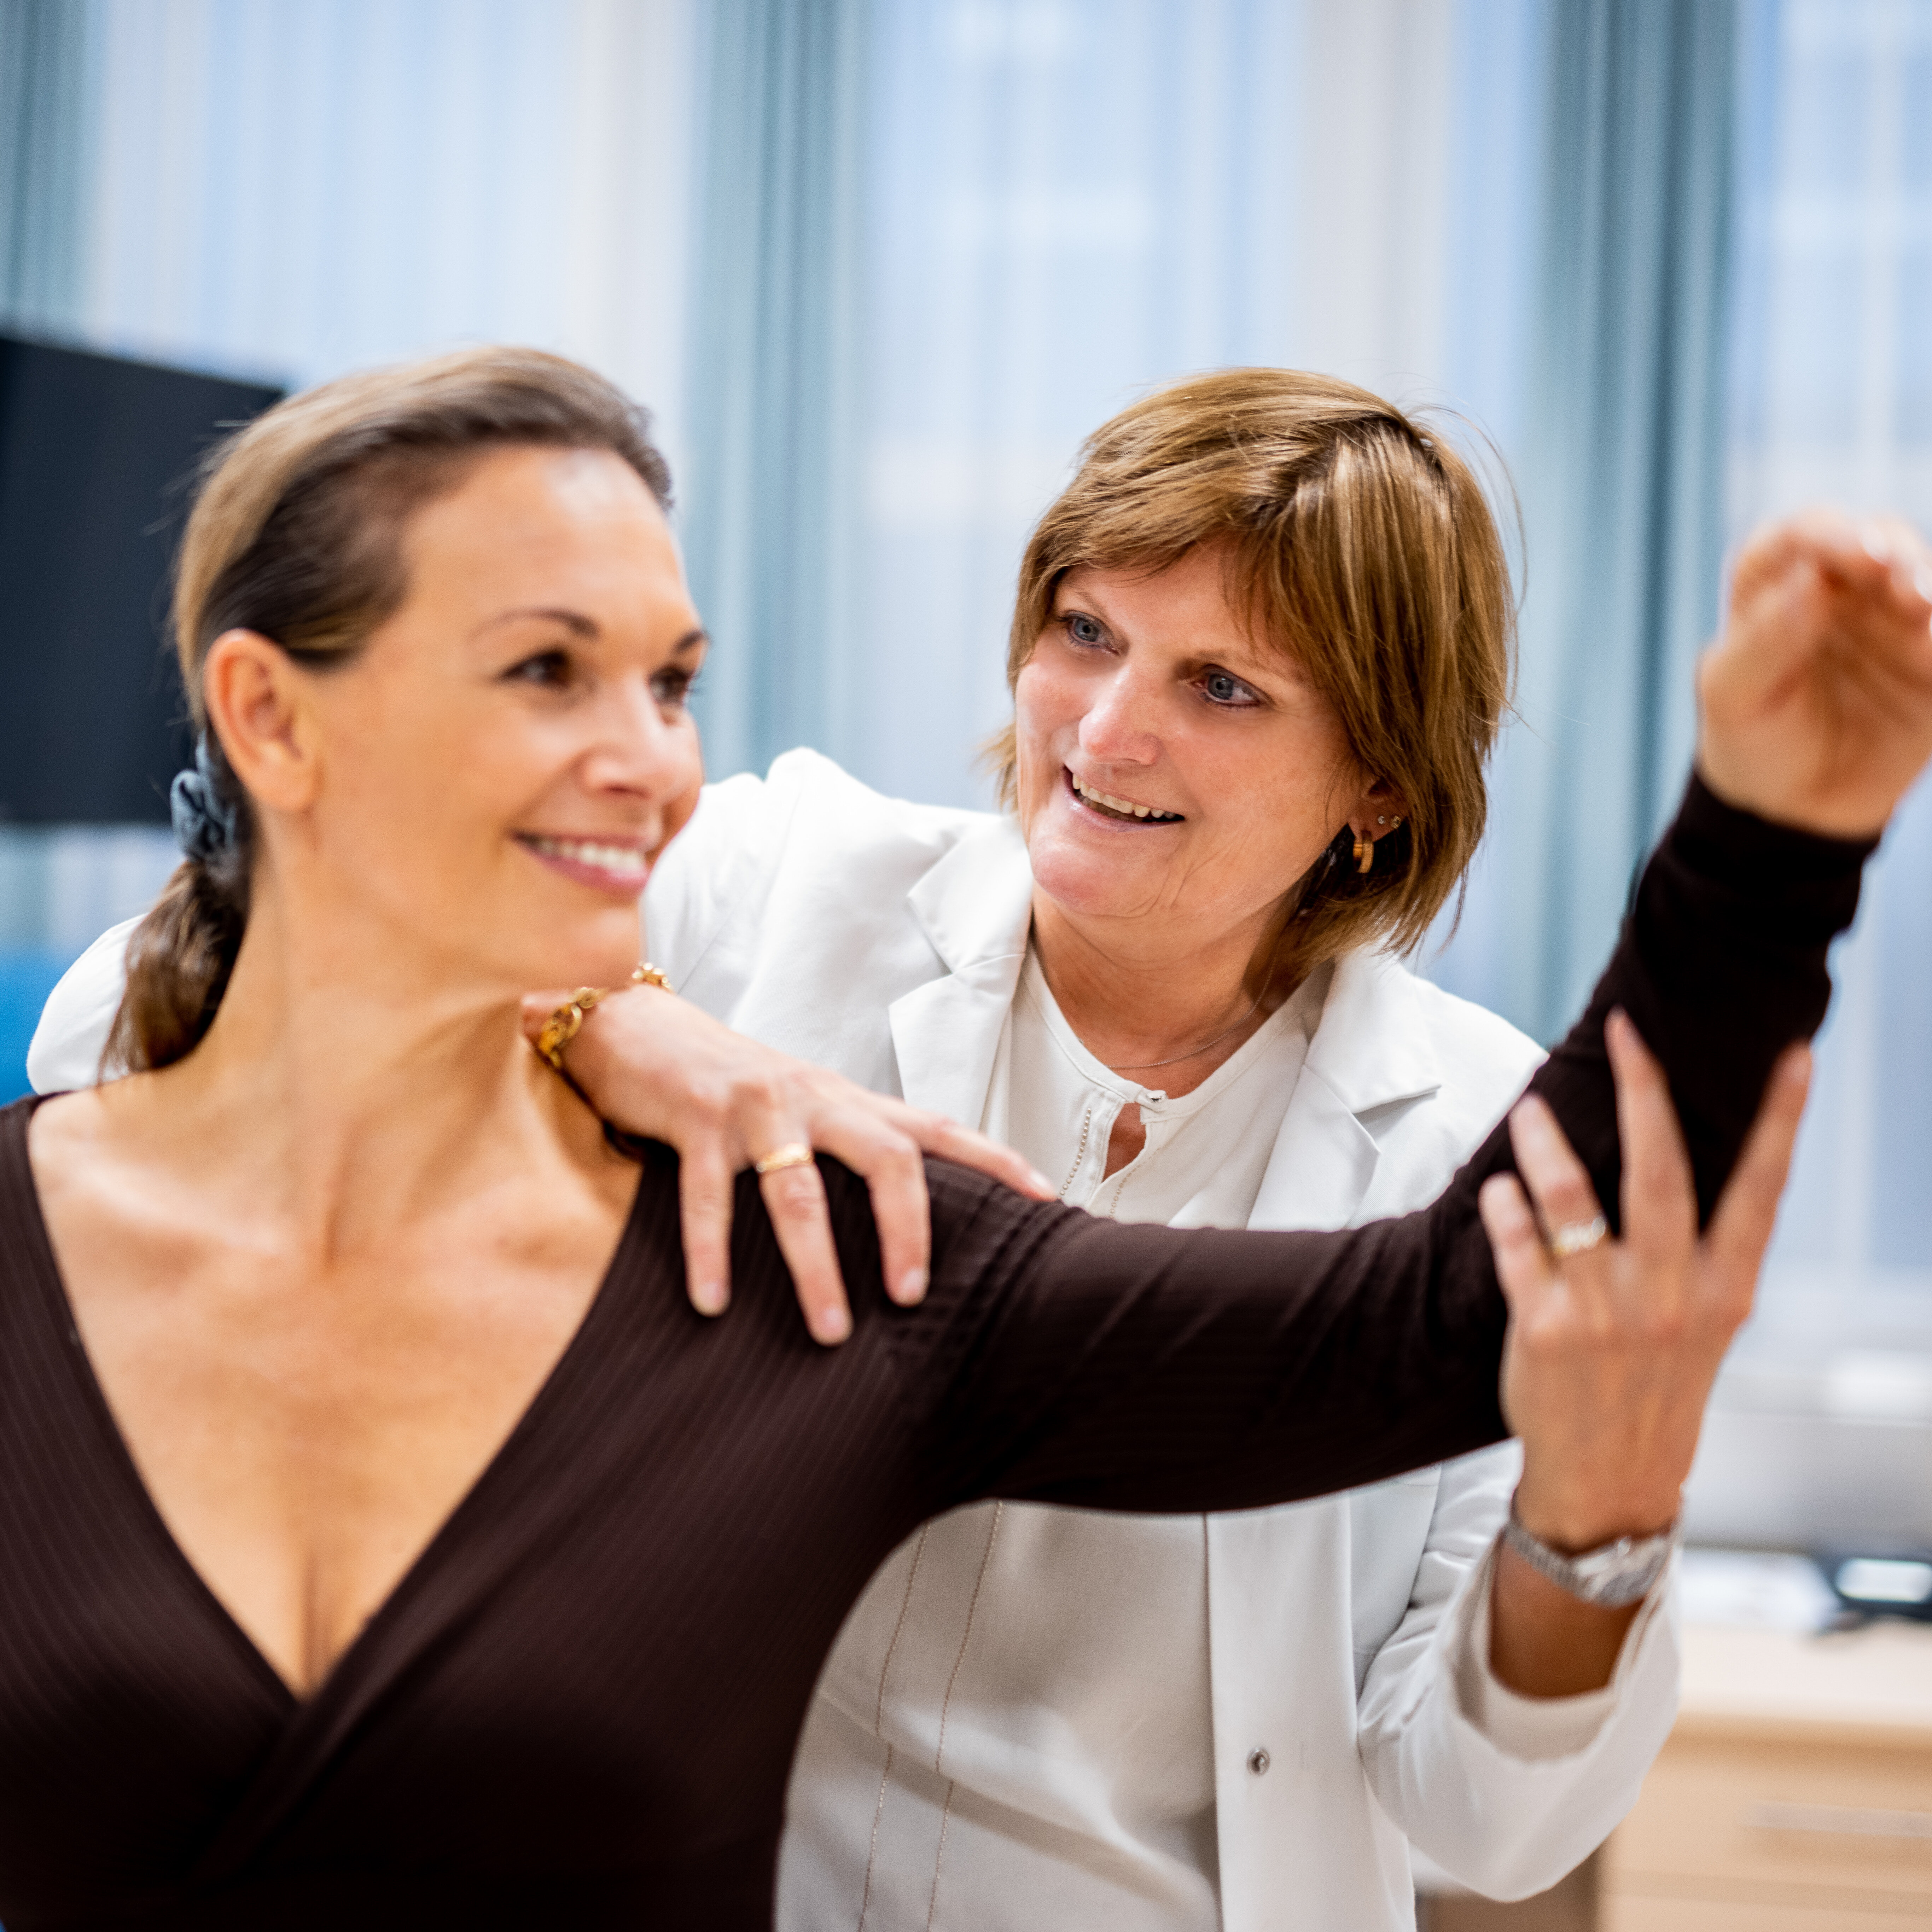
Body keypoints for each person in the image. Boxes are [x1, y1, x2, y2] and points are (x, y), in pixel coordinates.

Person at [15, 348, 1928, 1930]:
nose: (1099, 729)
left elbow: (1485, 1825)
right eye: (1079, 630)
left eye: (1220, 687)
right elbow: (129, 1027)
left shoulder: (1454, 1139)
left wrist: (1588, 1523)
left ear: (1377, 788)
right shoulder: (765, 884)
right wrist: (599, 1021)